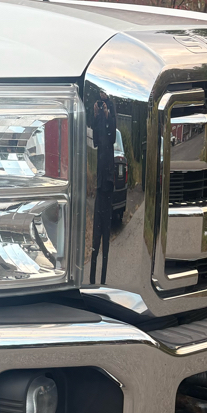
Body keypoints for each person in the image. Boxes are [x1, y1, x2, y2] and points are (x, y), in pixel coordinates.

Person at [90, 95, 116, 285]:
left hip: (108, 183)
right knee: (95, 239)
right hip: (100, 184)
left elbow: (111, 138)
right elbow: (96, 142)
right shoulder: (99, 116)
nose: (102, 102)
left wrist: (107, 116)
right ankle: (92, 282)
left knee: (106, 237)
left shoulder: (111, 112)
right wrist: (96, 116)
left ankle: (104, 281)